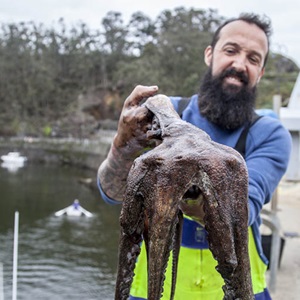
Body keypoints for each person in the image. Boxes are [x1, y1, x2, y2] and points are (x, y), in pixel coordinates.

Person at [97, 12, 292, 300]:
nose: (240, 64)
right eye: (231, 50)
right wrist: (123, 144)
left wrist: (192, 174)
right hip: (152, 291)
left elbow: (244, 209)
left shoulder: (270, 134)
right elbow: (112, 193)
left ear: (260, 72)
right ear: (209, 55)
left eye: (253, 59)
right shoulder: (162, 117)